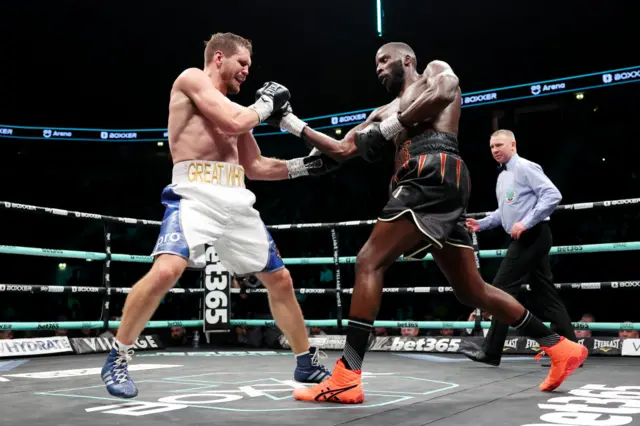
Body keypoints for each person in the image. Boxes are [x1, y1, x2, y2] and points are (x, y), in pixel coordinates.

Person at [264, 42, 588, 404]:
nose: (379, 68)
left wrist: (391, 128)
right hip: (423, 180)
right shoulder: (380, 111)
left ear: (407, 60)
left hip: (433, 169)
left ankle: (347, 376)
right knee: (472, 290)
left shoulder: (434, 72)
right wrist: (292, 123)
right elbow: (341, 151)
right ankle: (560, 348)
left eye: (385, 60)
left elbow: (446, 92)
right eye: (375, 64)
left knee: (369, 261)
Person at [101, 32, 331, 399]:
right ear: (219, 58)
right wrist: (267, 104)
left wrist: (305, 166)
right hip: (194, 191)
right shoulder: (191, 79)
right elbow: (236, 122)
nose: (247, 73)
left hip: (235, 197)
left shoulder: (232, 109)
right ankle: (118, 356)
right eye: (243, 64)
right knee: (166, 270)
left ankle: (305, 362)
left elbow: (254, 165)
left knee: (280, 279)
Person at [460, 129, 578, 367]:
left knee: (501, 290)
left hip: (533, 235)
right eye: (492, 147)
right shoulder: (502, 176)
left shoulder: (525, 167)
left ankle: (491, 351)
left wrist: (526, 222)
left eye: (500, 145)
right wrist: (481, 224)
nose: (495, 151)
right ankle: (572, 350)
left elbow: (552, 195)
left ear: (513, 145)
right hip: (527, 237)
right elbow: (504, 213)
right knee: (546, 294)